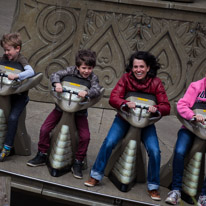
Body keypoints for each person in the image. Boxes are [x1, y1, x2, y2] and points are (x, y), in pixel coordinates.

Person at [84, 51, 171, 201]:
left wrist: (156, 108)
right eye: (135, 66)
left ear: (148, 68)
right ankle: (96, 175)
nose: (138, 70)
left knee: (155, 150)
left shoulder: (156, 83)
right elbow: (113, 98)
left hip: (146, 123)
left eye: (141, 67)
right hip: (124, 119)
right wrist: (124, 103)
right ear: (131, 68)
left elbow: (166, 106)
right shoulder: (125, 79)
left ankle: (153, 186)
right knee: (109, 142)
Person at [27, 49, 102, 179]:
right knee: (45, 128)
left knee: (85, 136)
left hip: (80, 112)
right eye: (84, 68)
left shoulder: (93, 78)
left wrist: (87, 93)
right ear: (78, 66)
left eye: (89, 68)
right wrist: (57, 84)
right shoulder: (69, 71)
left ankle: (78, 161)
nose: (86, 71)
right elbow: (55, 75)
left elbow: (97, 89)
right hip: (60, 108)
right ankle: (42, 153)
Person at [165, 74, 206, 205]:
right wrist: (193, 115)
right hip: (190, 128)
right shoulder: (196, 86)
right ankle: (175, 190)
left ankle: (204, 196)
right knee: (180, 151)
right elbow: (182, 105)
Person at [0, 32, 35, 161]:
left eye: (8, 50)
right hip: (5, 93)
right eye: (5, 50)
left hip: (18, 96)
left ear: (17, 48)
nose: (6, 52)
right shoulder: (4, 58)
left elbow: (31, 72)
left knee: (13, 117)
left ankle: (7, 147)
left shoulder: (20, 59)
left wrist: (17, 76)